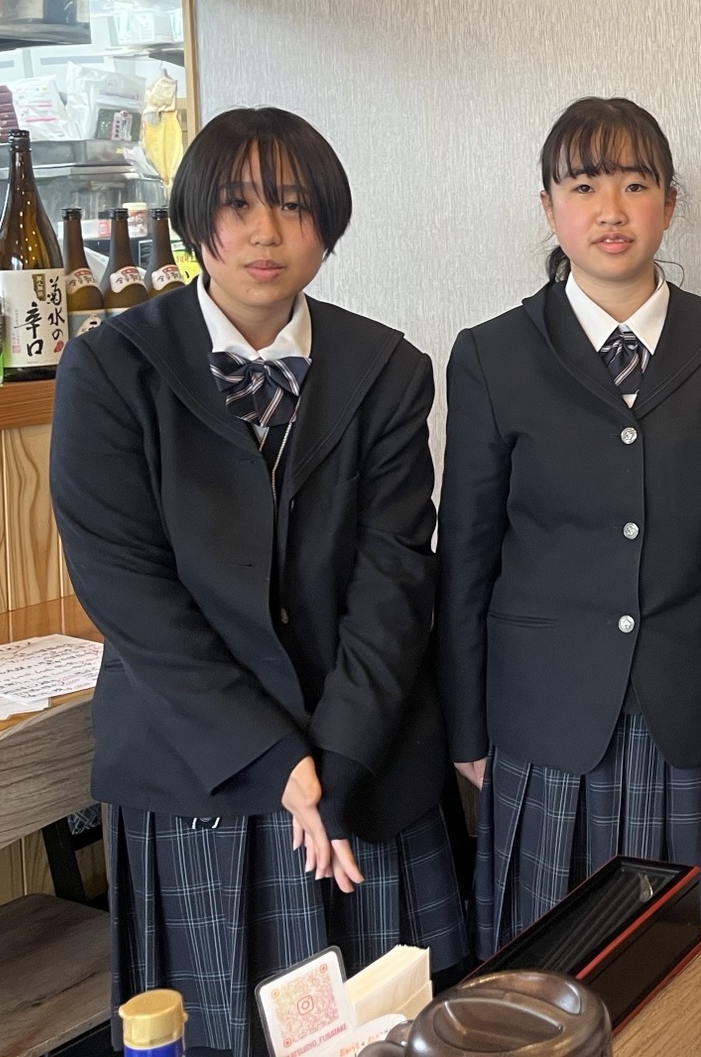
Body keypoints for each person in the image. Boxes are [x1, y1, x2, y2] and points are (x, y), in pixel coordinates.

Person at [51, 108, 465, 1057]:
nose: (265, 232)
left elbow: (395, 576)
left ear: (329, 225)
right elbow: (127, 591)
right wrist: (275, 757)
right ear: (196, 221)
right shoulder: (111, 367)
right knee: (217, 1035)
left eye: (292, 206)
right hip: (197, 769)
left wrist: (336, 760)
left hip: (366, 765)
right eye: (237, 206)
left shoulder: (387, 368)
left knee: (392, 1027)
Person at [434, 97, 701, 953]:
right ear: (549, 206)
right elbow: (467, 557)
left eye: (635, 184)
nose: (611, 209)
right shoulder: (491, 355)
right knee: (547, 976)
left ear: (669, 203)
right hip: (545, 717)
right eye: (584, 186)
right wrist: (466, 723)